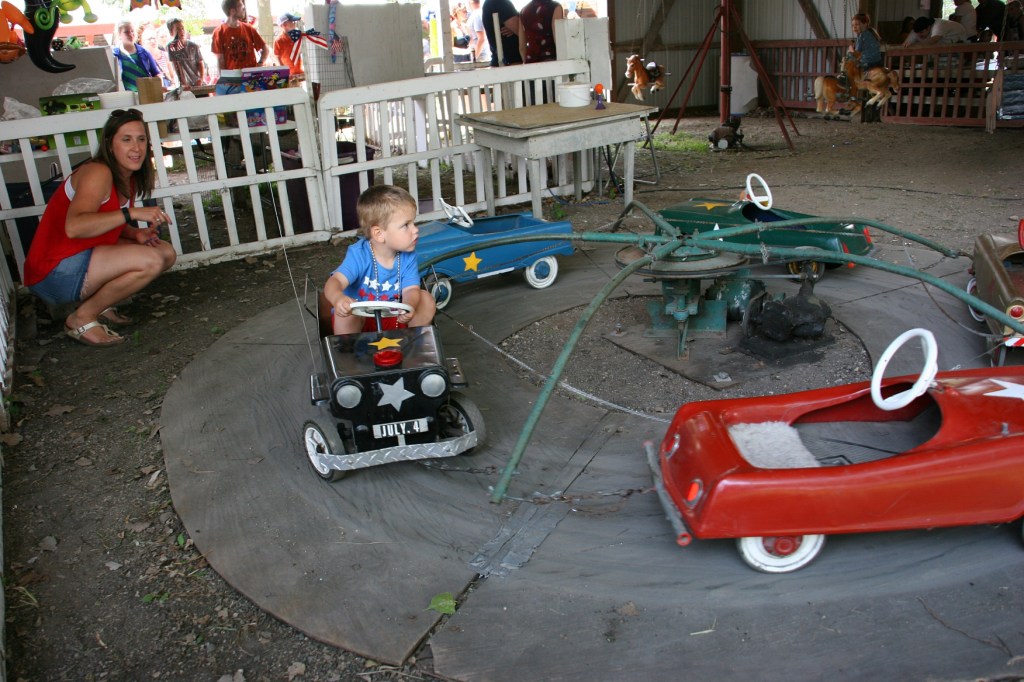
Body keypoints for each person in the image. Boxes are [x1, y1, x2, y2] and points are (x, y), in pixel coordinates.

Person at [23, 109, 177, 347]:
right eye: (126, 139)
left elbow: (105, 219)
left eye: (141, 139)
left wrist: (135, 232)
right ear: (109, 143)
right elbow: (75, 227)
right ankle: (81, 318)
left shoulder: (128, 175)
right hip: (53, 270)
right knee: (151, 261)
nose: (136, 148)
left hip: (82, 256)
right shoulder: (98, 171)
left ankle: (100, 305)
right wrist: (131, 213)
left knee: (165, 252)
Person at [323, 185, 436, 335]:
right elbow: (334, 282)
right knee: (348, 312)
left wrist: (409, 305)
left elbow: (411, 289)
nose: (415, 229)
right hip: (361, 321)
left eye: (413, 223)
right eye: (406, 225)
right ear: (379, 234)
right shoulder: (359, 255)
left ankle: (412, 340)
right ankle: (348, 348)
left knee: (426, 299)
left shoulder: (408, 256)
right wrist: (338, 298)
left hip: (394, 318)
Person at [211, 0, 267, 92]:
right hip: (233, 83)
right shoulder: (219, 32)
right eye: (241, 6)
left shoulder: (249, 29)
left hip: (252, 80)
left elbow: (265, 49)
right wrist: (225, 80)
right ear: (232, 11)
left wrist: (260, 64)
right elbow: (220, 60)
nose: (244, 8)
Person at [112, 20, 162, 92]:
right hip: (126, 97)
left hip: (146, 95)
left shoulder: (144, 52)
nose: (131, 34)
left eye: (132, 31)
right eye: (126, 32)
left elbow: (156, 74)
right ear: (119, 34)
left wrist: (155, 87)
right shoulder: (114, 55)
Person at [165, 18, 205, 90]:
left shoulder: (193, 46)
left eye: (182, 28)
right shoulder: (171, 47)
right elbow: (176, 66)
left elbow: (200, 64)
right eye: (178, 29)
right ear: (171, 32)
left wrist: (201, 79)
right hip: (183, 85)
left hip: (196, 82)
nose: (181, 31)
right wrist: (183, 83)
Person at [519, 0, 563, 64]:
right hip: (551, 60)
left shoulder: (523, 11)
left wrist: (526, 62)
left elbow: (522, 48)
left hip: (530, 61)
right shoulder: (555, 7)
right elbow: (559, 41)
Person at [482, 0, 522, 66]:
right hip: (510, 63)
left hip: (505, 63)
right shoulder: (499, 2)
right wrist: (519, 24)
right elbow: (521, 31)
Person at [273, 12, 304, 79]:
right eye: (292, 21)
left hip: (300, 72)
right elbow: (277, 57)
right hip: (289, 74)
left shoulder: (298, 36)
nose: (294, 23)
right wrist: (283, 72)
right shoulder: (279, 40)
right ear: (284, 24)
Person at [903, 16, 969, 46]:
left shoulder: (938, 26)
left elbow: (933, 40)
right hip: (945, 44)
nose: (919, 36)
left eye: (921, 33)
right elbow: (905, 45)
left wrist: (914, 45)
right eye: (917, 33)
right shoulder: (916, 30)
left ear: (928, 28)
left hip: (959, 38)